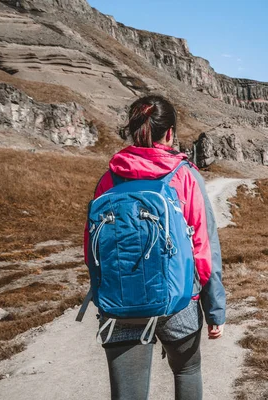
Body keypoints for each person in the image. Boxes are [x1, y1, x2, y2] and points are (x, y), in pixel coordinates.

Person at [83, 94, 226, 400]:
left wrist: (102, 296)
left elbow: (92, 250)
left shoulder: (108, 179)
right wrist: (214, 311)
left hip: (120, 302)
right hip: (179, 302)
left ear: (133, 130)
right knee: (187, 371)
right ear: (170, 133)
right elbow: (204, 249)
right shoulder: (186, 176)